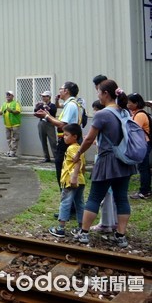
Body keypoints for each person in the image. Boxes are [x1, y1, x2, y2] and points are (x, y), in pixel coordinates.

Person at [71, 80, 138, 248]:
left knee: (94, 196)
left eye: (99, 93)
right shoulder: (125, 112)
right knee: (122, 198)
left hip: (107, 161)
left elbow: (88, 139)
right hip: (124, 160)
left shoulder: (102, 114)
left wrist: (79, 153)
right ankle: (120, 235)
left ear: (106, 94)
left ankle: (84, 233)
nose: (98, 96)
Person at [35, 81, 80, 187]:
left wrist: (46, 116)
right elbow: (59, 106)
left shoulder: (70, 105)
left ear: (66, 91)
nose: (59, 90)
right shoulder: (69, 103)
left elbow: (61, 124)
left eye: (61, 88)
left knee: (62, 169)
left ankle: (65, 194)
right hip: (67, 140)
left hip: (67, 142)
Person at [48, 123, 86, 238]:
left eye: (66, 135)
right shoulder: (80, 148)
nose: (63, 137)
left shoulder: (71, 148)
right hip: (80, 181)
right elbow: (83, 165)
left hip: (71, 181)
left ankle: (60, 229)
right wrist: (79, 177)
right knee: (79, 203)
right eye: (63, 135)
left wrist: (73, 177)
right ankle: (81, 227)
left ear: (74, 136)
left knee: (65, 203)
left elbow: (78, 161)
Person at [89, 100, 118, 233]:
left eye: (95, 109)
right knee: (115, 195)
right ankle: (114, 222)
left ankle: (105, 223)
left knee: (104, 195)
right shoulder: (118, 116)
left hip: (104, 161)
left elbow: (91, 140)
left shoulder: (101, 118)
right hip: (115, 162)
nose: (94, 112)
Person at [126, 93, 152, 199]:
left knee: (143, 168)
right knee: (143, 167)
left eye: (129, 102)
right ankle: (146, 190)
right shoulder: (136, 113)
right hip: (143, 144)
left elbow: (133, 130)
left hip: (144, 144)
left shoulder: (140, 115)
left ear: (136, 103)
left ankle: (144, 191)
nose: (127, 104)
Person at [0, 91, 21, 157]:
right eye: (7, 95)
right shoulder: (4, 104)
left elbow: (18, 111)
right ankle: (10, 150)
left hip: (15, 124)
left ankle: (13, 152)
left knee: (15, 139)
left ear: (12, 96)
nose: (8, 96)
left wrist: (12, 111)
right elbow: (1, 113)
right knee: (8, 138)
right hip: (7, 124)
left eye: (9, 95)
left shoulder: (16, 103)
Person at [34, 91, 57, 163]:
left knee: (53, 142)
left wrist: (48, 108)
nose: (43, 98)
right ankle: (46, 157)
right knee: (43, 141)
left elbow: (53, 112)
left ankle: (56, 157)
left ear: (49, 97)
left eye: (44, 96)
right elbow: (35, 111)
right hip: (41, 123)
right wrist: (36, 106)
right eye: (42, 96)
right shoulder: (41, 105)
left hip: (50, 124)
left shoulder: (52, 105)